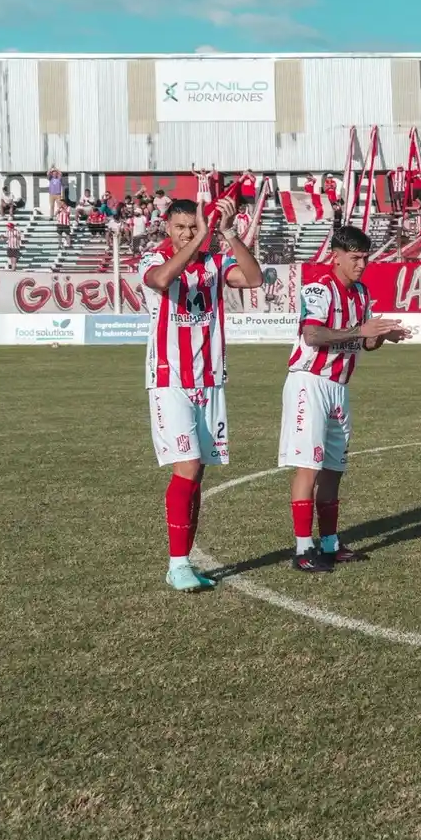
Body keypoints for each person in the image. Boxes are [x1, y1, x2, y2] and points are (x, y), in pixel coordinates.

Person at [139, 196, 264, 592]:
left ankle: (184, 561)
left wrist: (228, 234)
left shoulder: (214, 262)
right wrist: (200, 239)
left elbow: (254, 279)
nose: (187, 233)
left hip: (209, 381)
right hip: (170, 380)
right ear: (167, 227)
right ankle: (177, 565)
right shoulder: (152, 259)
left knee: (198, 474)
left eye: (193, 227)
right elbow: (161, 281)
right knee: (188, 466)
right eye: (180, 227)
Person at [279, 225, 408, 572]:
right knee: (309, 466)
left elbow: (365, 342)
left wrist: (383, 335)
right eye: (355, 258)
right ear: (336, 256)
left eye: (365, 258)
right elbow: (312, 334)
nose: (361, 264)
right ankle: (303, 549)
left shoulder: (362, 293)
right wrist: (361, 330)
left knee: (334, 468)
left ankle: (330, 543)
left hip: (339, 386)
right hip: (310, 382)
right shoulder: (319, 288)